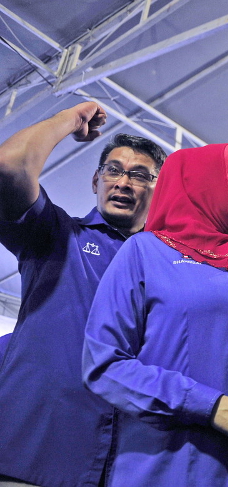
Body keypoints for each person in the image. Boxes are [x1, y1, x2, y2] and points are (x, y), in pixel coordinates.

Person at [82, 144, 228, 486]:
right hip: (167, 469)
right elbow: (104, 364)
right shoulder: (144, 253)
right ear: (209, 184)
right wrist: (211, 406)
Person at [0, 102, 166, 487]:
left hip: (130, 469)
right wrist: (68, 120)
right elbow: (9, 166)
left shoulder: (170, 268)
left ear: (160, 192)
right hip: (30, 460)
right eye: (113, 170)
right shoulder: (56, 235)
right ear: (96, 182)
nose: (123, 182)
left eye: (140, 175)